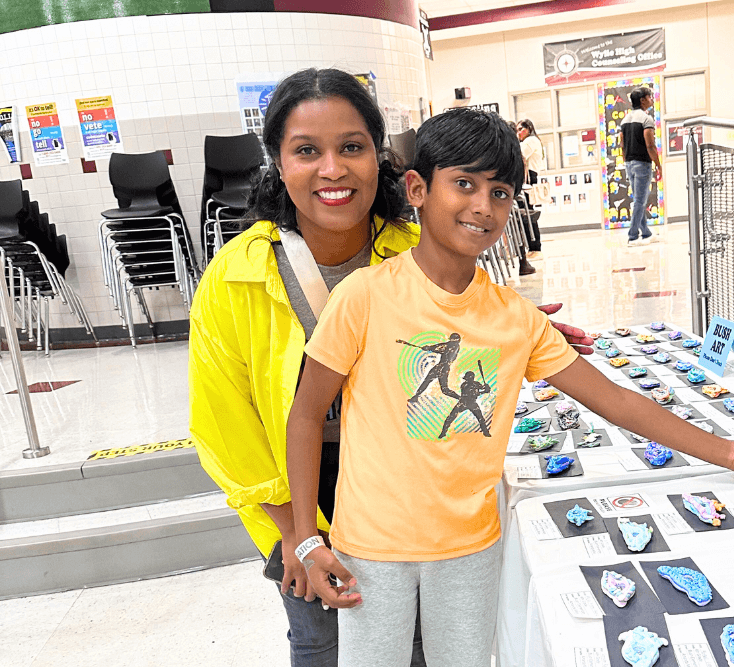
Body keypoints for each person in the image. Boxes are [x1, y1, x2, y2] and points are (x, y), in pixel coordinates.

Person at [285, 108, 734, 667]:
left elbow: (617, 401)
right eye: (463, 184)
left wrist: (729, 451)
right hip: (370, 546)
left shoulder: (516, 319)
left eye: (500, 192)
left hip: (470, 547)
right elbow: (306, 415)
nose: (481, 207)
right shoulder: (365, 297)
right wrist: (304, 537)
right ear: (417, 188)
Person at [188, 68, 593, 667]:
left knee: (431, 647)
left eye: (351, 147)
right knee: (325, 643)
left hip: (405, 495)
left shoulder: (409, 243)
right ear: (277, 161)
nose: (332, 169)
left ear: (379, 159)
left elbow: (462, 321)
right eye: (307, 151)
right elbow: (226, 429)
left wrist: (526, 337)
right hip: (295, 495)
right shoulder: (237, 276)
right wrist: (299, 533)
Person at [621, 86, 662, 246]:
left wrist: (626, 161)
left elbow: (622, 144)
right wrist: (658, 164)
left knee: (640, 199)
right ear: (643, 100)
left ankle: (646, 233)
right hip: (642, 163)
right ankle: (633, 236)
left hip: (629, 164)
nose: (652, 99)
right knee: (640, 200)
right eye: (650, 97)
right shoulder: (646, 119)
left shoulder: (625, 119)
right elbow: (650, 145)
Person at [516, 119, 544, 263]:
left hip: (529, 178)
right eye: (517, 130)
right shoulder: (529, 141)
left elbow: (519, 155)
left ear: (529, 129)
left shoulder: (531, 141)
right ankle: (532, 247)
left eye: (522, 129)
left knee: (528, 213)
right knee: (525, 214)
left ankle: (535, 248)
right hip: (527, 178)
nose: (519, 133)